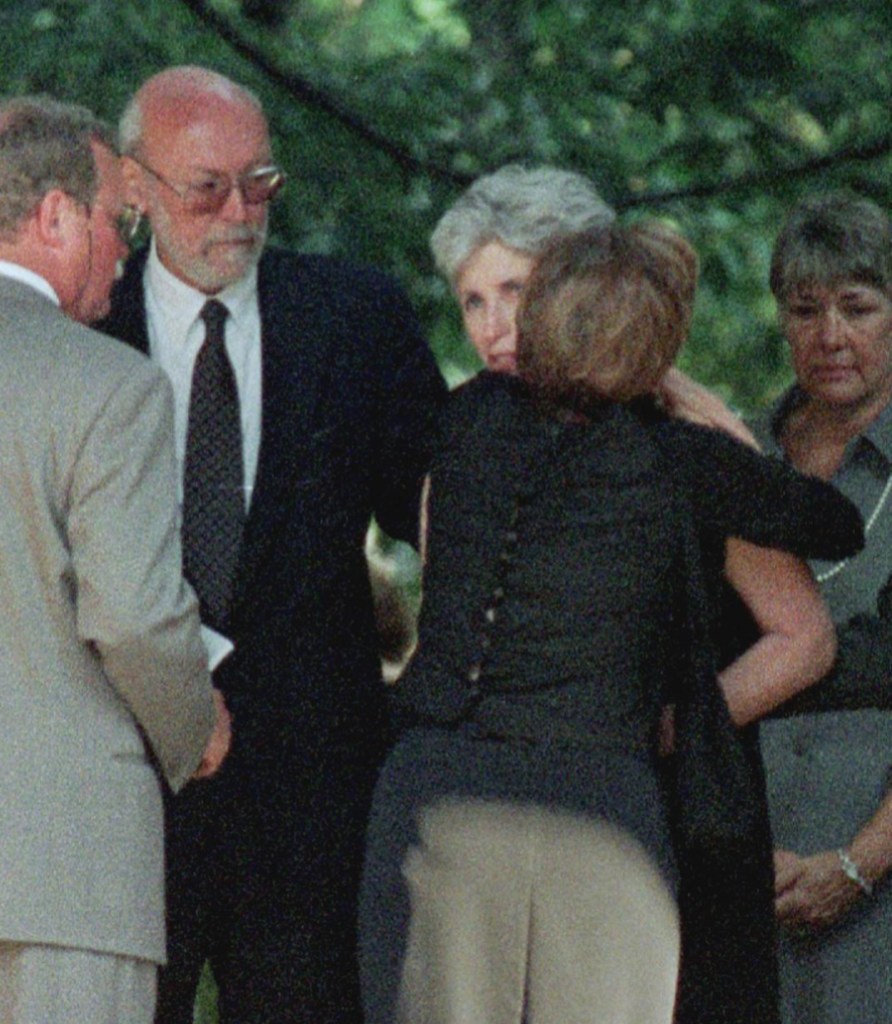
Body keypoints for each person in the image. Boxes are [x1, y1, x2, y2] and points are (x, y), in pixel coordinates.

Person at [358, 220, 863, 1024]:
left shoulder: (467, 417)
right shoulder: (678, 460)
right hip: (595, 802)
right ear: (660, 346)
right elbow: (834, 524)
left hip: (436, 790)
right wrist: (708, 412)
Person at [96, 65, 447, 1024]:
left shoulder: (353, 315)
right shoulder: (86, 326)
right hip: (125, 776)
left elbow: (445, 520)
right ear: (133, 187)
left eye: (261, 184)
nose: (239, 213)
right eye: (206, 188)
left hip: (314, 789)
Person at [0, 95, 228, 1024]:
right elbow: (132, 616)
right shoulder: (111, 385)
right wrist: (195, 722)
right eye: (118, 222)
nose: (128, 254)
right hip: (63, 875)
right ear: (56, 216)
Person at [755, 191, 892, 1024]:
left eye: (858, 307)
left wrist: (857, 865)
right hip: (739, 875)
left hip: (877, 868)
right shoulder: (739, 456)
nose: (830, 335)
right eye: (806, 310)